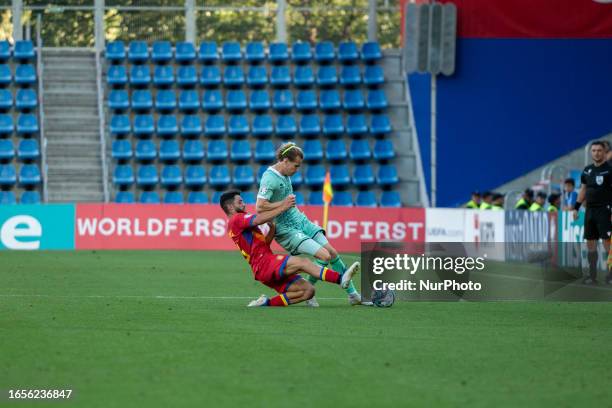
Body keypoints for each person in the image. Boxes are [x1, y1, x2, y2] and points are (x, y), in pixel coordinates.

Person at [256, 142, 368, 306]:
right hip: (286, 229)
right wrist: (283, 205)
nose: (297, 170)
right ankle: (310, 290)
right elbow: (260, 206)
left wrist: (286, 205)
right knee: (324, 255)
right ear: (285, 161)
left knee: (332, 252)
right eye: (295, 166)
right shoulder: (269, 178)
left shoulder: (286, 175)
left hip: (300, 220)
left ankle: (353, 295)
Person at [220, 190, 360, 307]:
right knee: (303, 263)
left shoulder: (236, 225)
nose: (244, 204)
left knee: (308, 291)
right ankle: (341, 279)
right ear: (230, 207)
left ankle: (266, 303)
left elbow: (264, 244)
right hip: (265, 263)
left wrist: (272, 228)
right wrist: (283, 206)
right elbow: (258, 219)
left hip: (261, 269)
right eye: (240, 202)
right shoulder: (237, 219)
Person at [573, 140, 612, 285]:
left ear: (604, 152)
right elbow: (583, 190)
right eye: (594, 150)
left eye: (599, 150)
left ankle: (610, 275)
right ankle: (592, 275)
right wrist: (576, 208)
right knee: (590, 243)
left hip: (605, 210)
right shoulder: (587, 170)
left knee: (608, 243)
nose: (596, 153)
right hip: (590, 211)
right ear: (591, 153)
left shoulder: (610, 170)